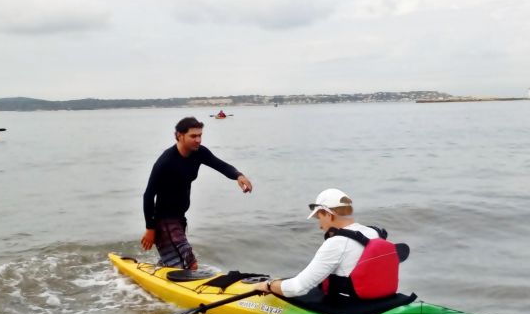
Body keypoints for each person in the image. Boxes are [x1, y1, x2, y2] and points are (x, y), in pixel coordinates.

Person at [141, 116, 253, 270]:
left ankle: (160, 274)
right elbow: (148, 196)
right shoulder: (165, 162)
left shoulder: (199, 153)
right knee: (191, 264)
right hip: (165, 221)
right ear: (180, 136)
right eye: (193, 136)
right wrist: (150, 229)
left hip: (179, 218)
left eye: (200, 135)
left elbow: (220, 165)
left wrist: (238, 176)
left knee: (178, 264)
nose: (198, 140)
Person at [253, 188, 400, 303]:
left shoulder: (336, 242)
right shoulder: (374, 232)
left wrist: (268, 285)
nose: (320, 225)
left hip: (350, 306)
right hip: (382, 299)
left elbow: (298, 288)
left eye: (319, 217)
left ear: (329, 214)